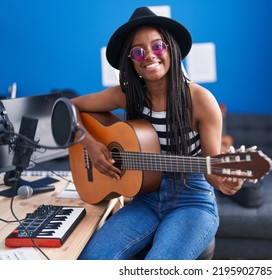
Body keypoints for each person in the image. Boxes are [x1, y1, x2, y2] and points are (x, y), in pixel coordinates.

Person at [74, 6, 244, 260]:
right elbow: (71, 107)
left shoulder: (200, 100)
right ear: (130, 60)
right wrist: (88, 142)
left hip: (192, 202)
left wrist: (226, 181)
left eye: (158, 46)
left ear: (171, 49)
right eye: (138, 51)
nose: (149, 56)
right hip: (144, 198)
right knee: (91, 260)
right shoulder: (126, 95)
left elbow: (212, 171)